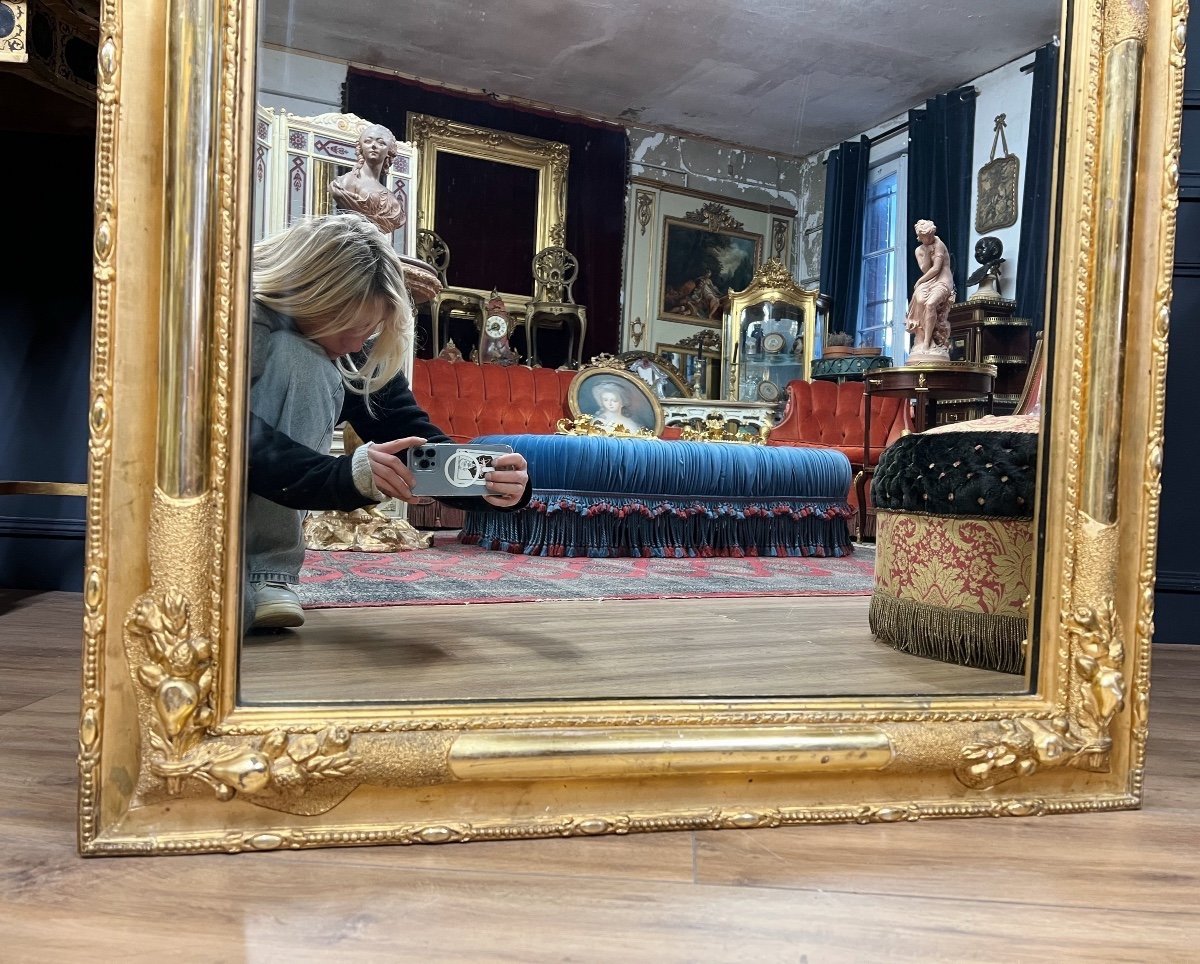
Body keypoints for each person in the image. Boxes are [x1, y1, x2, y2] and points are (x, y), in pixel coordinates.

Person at [246, 212, 530, 630]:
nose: (360, 343)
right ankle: (259, 576)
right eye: (353, 329)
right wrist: (346, 475)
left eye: (371, 329)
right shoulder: (234, 316)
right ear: (312, 297)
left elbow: (406, 430)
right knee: (300, 361)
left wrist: (490, 485)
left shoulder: (348, 343)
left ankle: (265, 578)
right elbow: (223, 437)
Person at [328, 123, 406, 235]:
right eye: (368, 141)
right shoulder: (345, 183)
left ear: (389, 152)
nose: (373, 146)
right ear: (361, 148)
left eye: (381, 143)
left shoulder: (392, 201)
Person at [903, 219, 955, 358]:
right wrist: (926, 253)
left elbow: (937, 269)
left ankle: (927, 342)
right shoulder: (919, 250)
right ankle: (920, 337)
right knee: (919, 300)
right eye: (922, 236)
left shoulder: (939, 245)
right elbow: (926, 269)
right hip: (928, 280)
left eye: (926, 236)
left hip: (943, 281)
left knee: (930, 303)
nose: (921, 238)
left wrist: (919, 281)